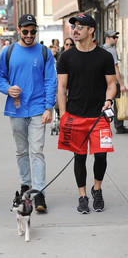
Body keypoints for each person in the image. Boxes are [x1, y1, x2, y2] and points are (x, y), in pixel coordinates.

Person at [0, 13, 57, 212]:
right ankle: (25, 185)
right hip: (17, 109)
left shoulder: (44, 52)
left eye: (33, 31)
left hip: (38, 109)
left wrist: (49, 107)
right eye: (26, 31)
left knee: (37, 151)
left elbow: (51, 81)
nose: (29, 34)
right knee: (21, 151)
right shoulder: (9, 52)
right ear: (19, 30)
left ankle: (39, 194)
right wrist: (7, 88)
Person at [57, 14, 116, 214]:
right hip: (75, 116)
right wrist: (64, 116)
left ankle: (96, 189)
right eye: (73, 26)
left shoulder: (105, 56)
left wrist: (108, 101)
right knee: (79, 157)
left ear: (91, 30)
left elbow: (111, 85)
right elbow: (61, 88)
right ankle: (82, 195)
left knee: (101, 155)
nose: (75, 29)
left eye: (79, 26)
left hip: (99, 117)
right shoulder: (66, 56)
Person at [103, 30, 128, 134]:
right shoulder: (112, 50)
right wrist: (121, 84)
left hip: (104, 81)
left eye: (116, 37)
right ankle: (119, 126)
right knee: (117, 103)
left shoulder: (101, 49)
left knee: (106, 102)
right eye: (114, 37)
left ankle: (103, 122)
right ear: (107, 38)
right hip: (113, 82)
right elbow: (115, 68)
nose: (116, 39)